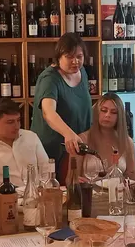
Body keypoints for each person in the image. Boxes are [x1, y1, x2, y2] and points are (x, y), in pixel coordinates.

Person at [31, 33, 93, 164]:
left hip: (77, 148)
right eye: (69, 57)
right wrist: (68, 134)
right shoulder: (50, 79)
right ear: (58, 57)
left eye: (79, 57)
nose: (75, 61)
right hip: (52, 151)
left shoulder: (82, 72)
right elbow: (48, 113)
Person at [0, 98, 49, 193]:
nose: (17, 126)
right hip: (5, 203)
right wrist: (22, 192)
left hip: (37, 199)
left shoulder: (31, 137)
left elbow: (46, 172)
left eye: (18, 120)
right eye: (10, 122)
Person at [75, 92, 135, 180]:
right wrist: (77, 182)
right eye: (104, 110)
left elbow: (132, 179)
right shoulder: (82, 140)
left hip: (118, 193)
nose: (107, 115)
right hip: (89, 192)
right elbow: (70, 179)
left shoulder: (127, 142)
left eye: (113, 112)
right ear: (97, 112)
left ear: (119, 116)